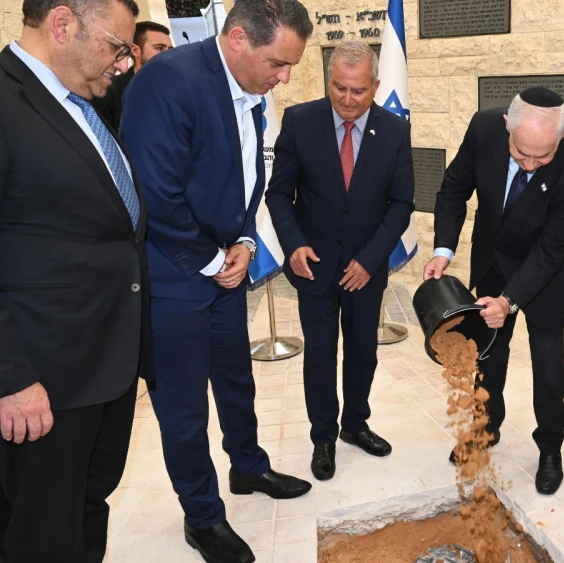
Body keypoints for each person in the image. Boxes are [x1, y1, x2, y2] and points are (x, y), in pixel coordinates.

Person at [119, 1, 313, 561]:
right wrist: (212, 259)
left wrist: (247, 242)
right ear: (236, 40)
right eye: (278, 63)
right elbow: (154, 193)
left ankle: (248, 468)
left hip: (225, 268)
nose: (284, 78)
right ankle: (202, 518)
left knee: (235, 380)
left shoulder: (250, 89)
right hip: (176, 278)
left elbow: (249, 178)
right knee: (184, 409)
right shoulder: (168, 82)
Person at [0, 0, 154, 559]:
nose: (123, 64)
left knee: (87, 507)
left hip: (103, 366)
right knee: (41, 533)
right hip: (43, 381)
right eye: (117, 47)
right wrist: (10, 376)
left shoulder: (82, 103)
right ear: (63, 25)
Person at [425, 87, 564, 495]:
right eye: (521, 152)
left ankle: (550, 449)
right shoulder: (484, 129)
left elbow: (552, 248)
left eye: (542, 156)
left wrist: (509, 301)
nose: (530, 163)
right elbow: (453, 190)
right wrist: (444, 250)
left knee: (548, 368)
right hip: (494, 263)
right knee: (489, 356)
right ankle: (486, 429)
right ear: (508, 126)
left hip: (545, 277)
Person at [265, 41, 414, 481]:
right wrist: (292, 244)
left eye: (359, 91)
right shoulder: (300, 121)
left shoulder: (393, 129)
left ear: (376, 86)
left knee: (363, 352)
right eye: (339, 89)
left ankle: (355, 425)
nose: (348, 100)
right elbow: (278, 194)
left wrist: (369, 260)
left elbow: (402, 203)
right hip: (313, 266)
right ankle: (323, 436)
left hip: (365, 270)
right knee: (321, 355)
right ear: (328, 81)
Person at [91, 20, 172, 131]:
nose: (168, 54)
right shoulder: (109, 91)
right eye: (159, 48)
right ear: (135, 50)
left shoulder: (176, 88)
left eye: (170, 49)